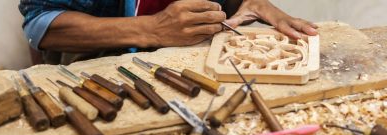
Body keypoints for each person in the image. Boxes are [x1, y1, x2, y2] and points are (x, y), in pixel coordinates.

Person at [19, 0, 318, 65]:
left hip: (187, 62)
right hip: (101, 69)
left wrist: (253, 3)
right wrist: (152, 29)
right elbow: (40, 23)